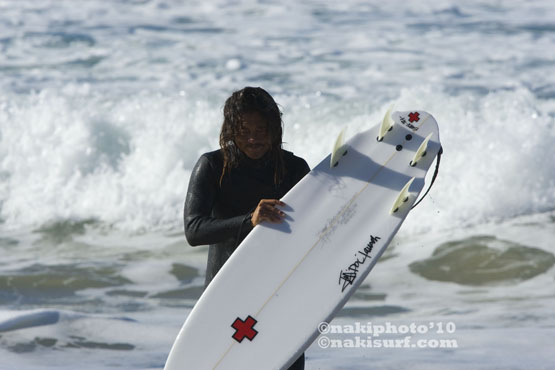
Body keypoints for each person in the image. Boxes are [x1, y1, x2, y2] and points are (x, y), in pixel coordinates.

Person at [183, 87, 309, 370]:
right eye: (244, 130)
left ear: (274, 129)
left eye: (261, 129)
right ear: (230, 130)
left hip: (279, 291)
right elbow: (194, 230)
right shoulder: (213, 166)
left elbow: (314, 228)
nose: (253, 138)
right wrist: (248, 220)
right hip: (227, 293)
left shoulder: (295, 168)